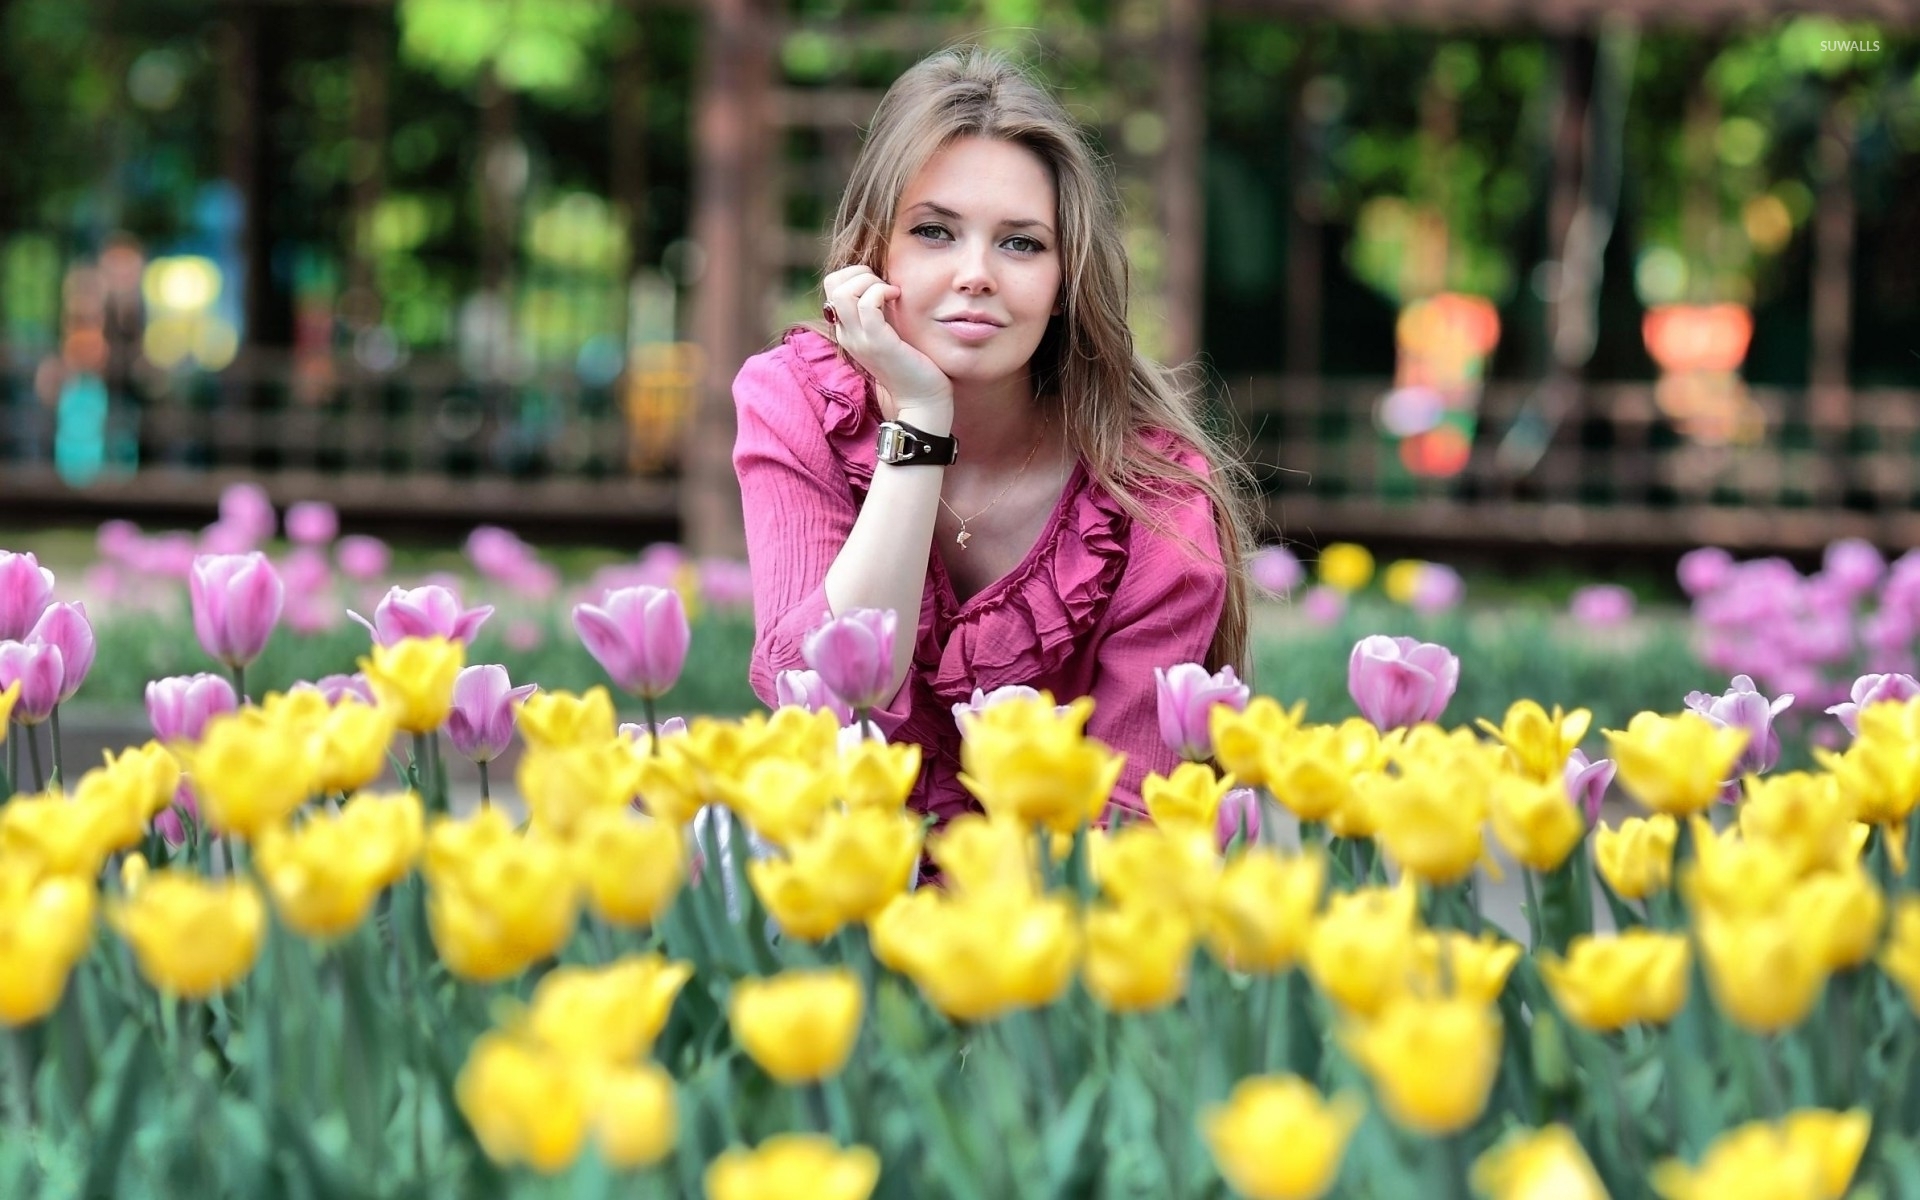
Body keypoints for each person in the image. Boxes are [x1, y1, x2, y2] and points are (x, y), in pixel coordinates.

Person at [732, 45, 1261, 826]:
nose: (976, 272)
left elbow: (1131, 816)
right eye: (935, 232)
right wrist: (919, 422)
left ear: (1063, 283)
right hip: (846, 897)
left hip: (1053, 920)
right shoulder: (800, 404)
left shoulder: (1153, 493)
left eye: (1021, 243)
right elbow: (819, 703)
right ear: (872, 254)